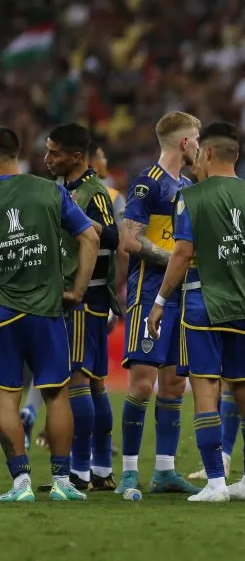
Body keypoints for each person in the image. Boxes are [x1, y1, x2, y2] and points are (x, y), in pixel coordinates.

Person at [147, 122, 245, 502]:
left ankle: (217, 484)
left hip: (202, 304)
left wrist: (158, 303)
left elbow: (183, 254)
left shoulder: (193, 197)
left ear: (207, 154)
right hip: (243, 308)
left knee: (205, 391)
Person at [0, 126, 99, 502]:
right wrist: (78, 289)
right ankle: (62, 482)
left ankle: (21, 483)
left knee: (6, 396)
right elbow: (89, 236)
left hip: (4, 311)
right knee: (57, 393)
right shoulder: (49, 190)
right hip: (47, 308)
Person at [117, 111, 202, 496]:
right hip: (149, 295)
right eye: (197, 138)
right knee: (142, 384)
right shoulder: (147, 184)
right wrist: (174, 261)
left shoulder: (189, 185)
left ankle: (165, 471)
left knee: (173, 383)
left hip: (182, 297)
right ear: (184, 142)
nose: (200, 146)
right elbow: (129, 240)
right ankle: (130, 472)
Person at [43, 125, 120, 491]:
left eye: (54, 153)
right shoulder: (67, 189)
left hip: (85, 296)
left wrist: (76, 220)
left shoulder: (92, 191)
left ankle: (80, 472)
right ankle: (102, 470)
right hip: (90, 298)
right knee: (95, 384)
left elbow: (112, 234)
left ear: (75, 157)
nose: (47, 159)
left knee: (77, 380)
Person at [88, 139, 126, 222]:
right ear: (90, 162)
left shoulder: (62, 191)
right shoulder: (114, 197)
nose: (105, 161)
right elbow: (123, 232)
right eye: (102, 157)